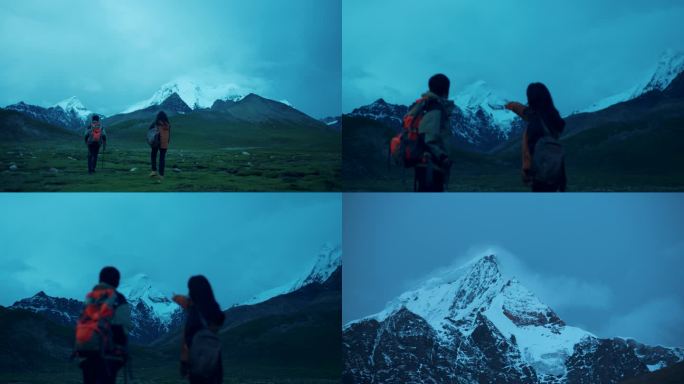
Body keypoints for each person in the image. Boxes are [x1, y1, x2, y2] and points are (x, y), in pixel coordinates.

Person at [506, 82, 567, 192]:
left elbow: (529, 152)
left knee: (541, 207)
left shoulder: (535, 123)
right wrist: (513, 106)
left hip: (540, 177)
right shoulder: (553, 117)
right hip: (558, 174)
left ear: (532, 99)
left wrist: (526, 172)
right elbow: (525, 111)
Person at [76, 266, 131, 384]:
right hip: (107, 355)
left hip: (85, 352)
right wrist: (121, 350)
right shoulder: (118, 298)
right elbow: (124, 326)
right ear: (116, 281)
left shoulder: (90, 297)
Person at [173, 275, 225, 384]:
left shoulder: (194, 314)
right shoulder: (215, 311)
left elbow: (186, 344)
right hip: (214, 364)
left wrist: (184, 365)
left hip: (196, 366)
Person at [408, 73, 454, 192]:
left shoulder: (427, 105)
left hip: (426, 166)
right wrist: (443, 157)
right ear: (446, 90)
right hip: (431, 166)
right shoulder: (435, 108)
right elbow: (428, 136)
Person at [149, 111, 171, 181]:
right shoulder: (168, 125)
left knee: (153, 156)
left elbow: (150, 130)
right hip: (164, 143)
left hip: (156, 143)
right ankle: (161, 175)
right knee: (162, 159)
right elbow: (169, 134)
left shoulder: (155, 124)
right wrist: (167, 142)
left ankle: (154, 171)